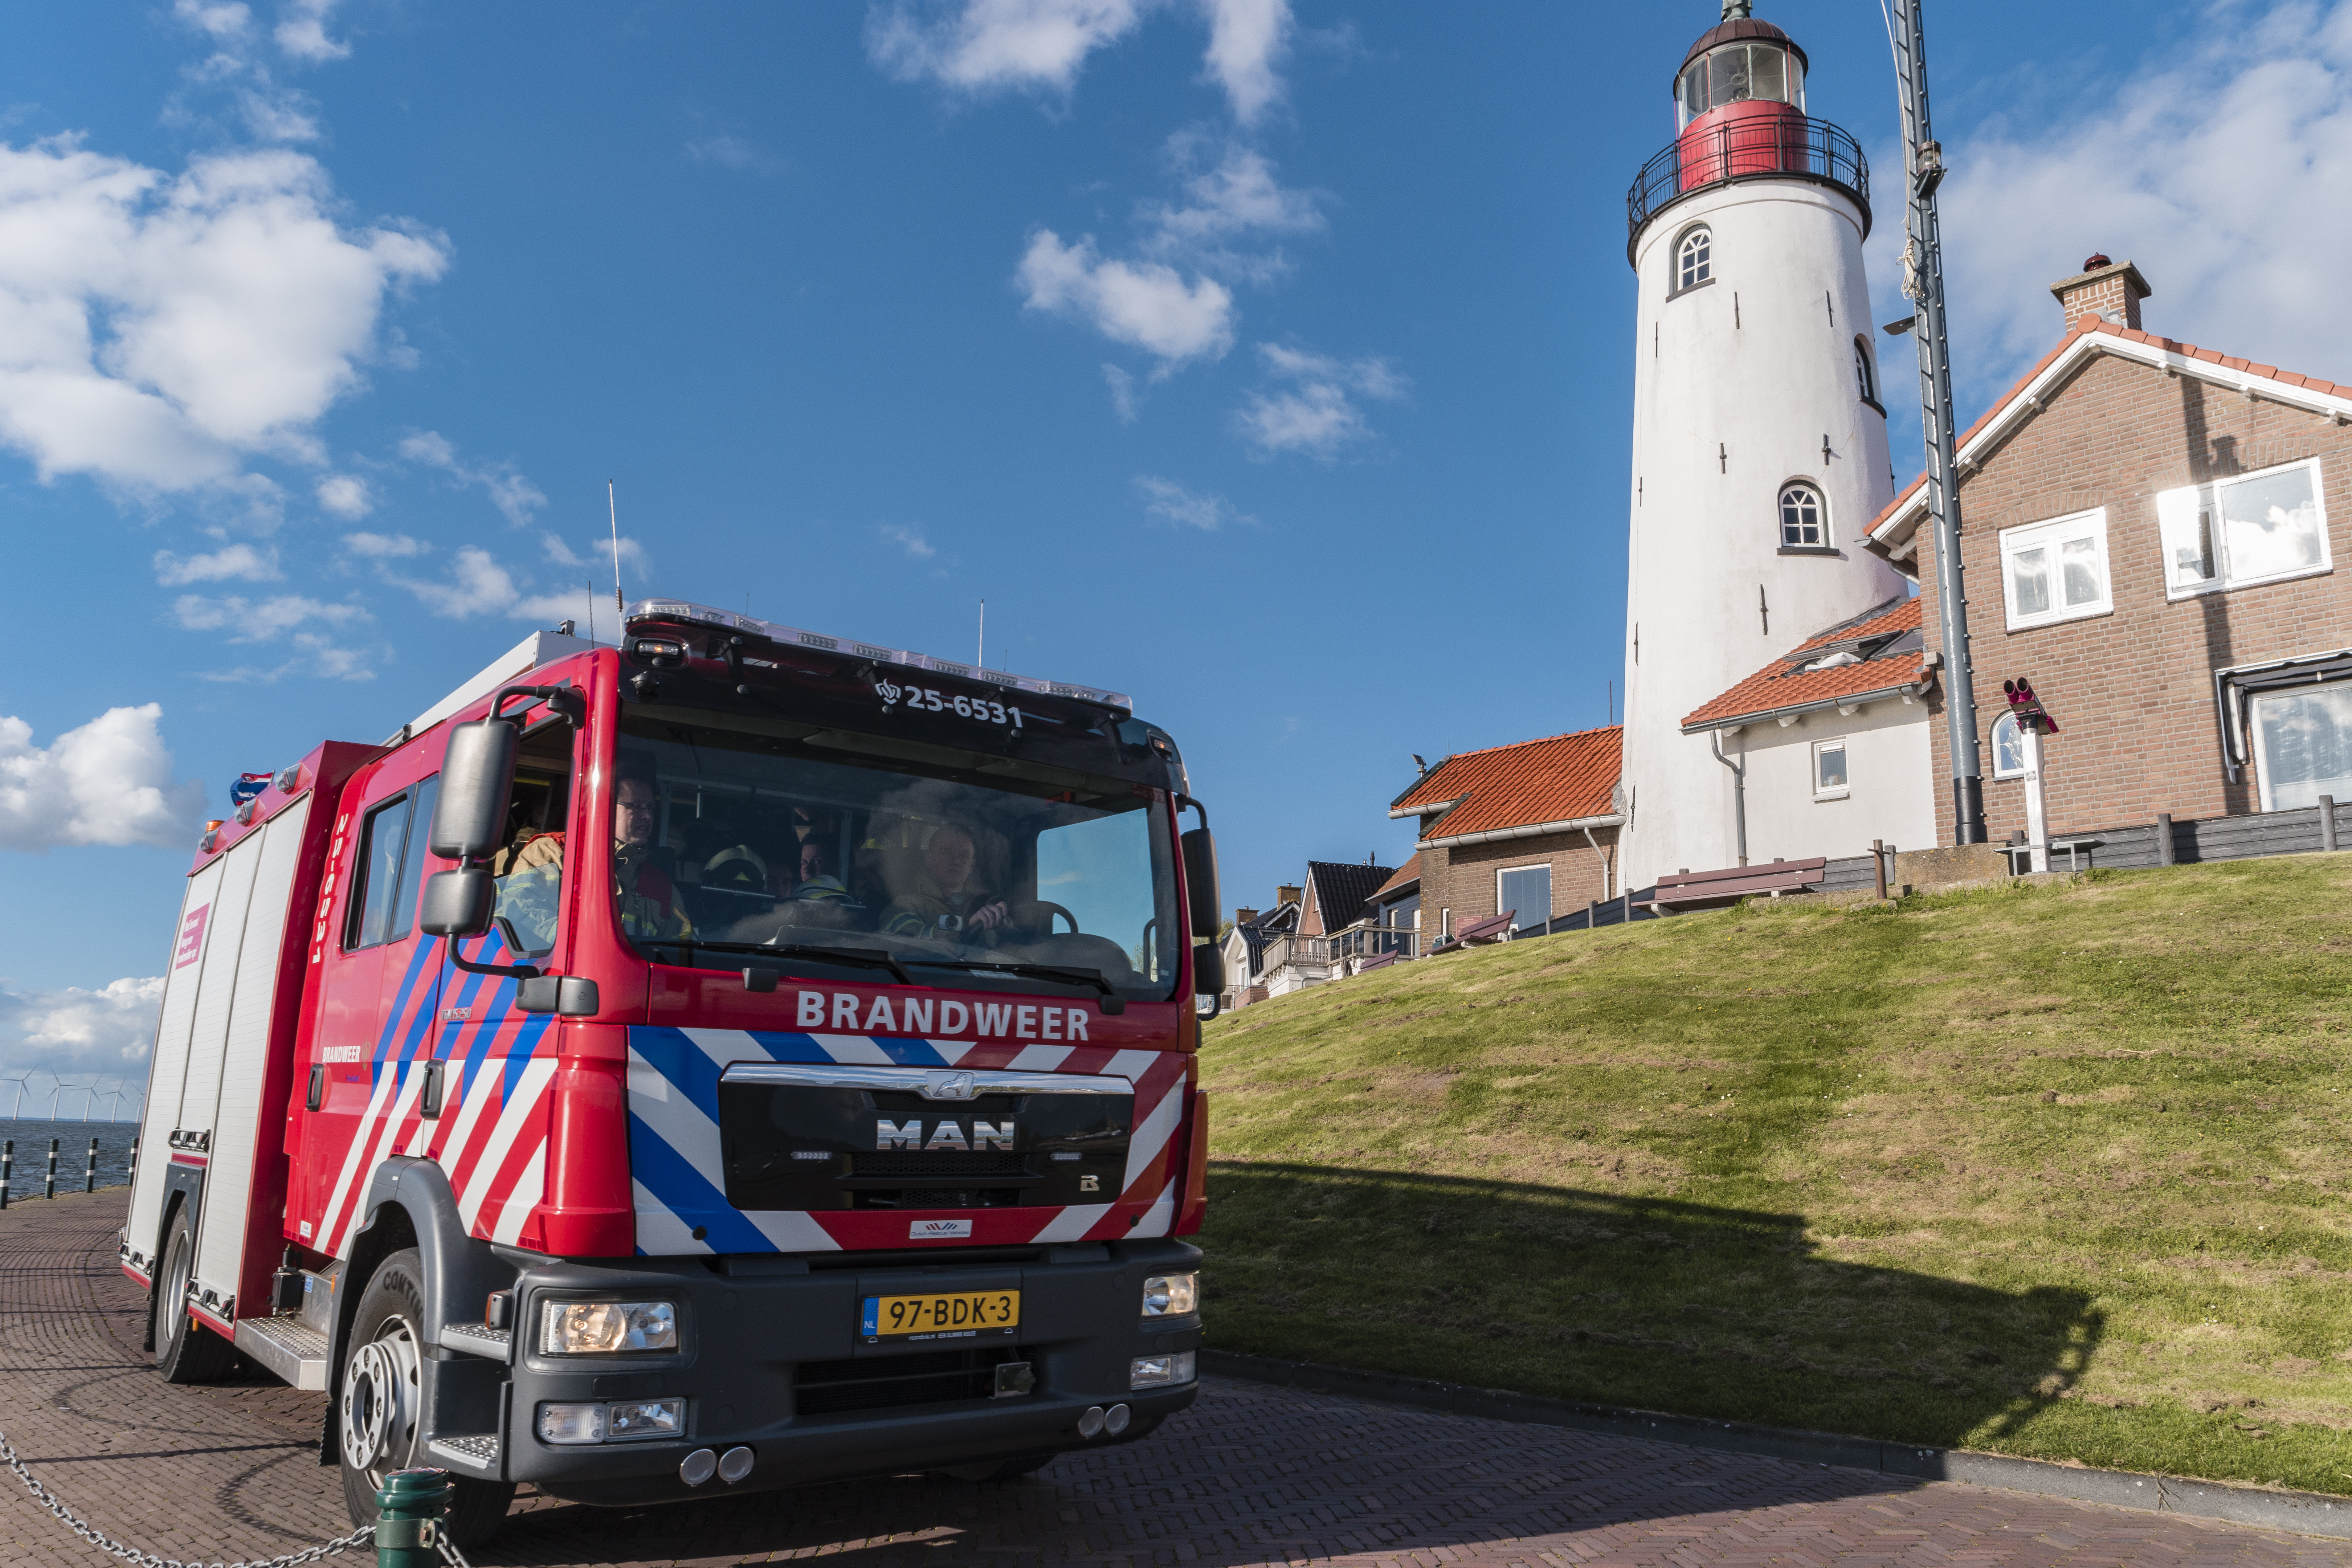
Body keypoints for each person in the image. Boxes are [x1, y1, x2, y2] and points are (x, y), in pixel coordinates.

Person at [880, 824, 1009, 945]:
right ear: (929, 859)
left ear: (971, 866)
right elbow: (907, 942)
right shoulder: (904, 905)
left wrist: (1004, 922)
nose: (956, 862)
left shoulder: (987, 903)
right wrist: (964, 927)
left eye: (964, 856)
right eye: (946, 853)